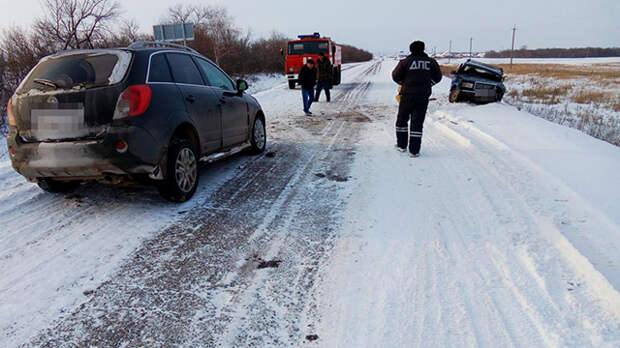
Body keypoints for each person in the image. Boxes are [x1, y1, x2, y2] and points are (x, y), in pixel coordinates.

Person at [392, 40, 442, 157]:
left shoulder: (405, 62)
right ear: (423, 49)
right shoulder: (431, 62)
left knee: (402, 120)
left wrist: (404, 83)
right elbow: (438, 77)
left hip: (407, 96)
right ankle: (414, 151)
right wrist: (429, 84)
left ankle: (401, 146)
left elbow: (395, 76)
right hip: (423, 96)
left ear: (411, 49)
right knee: (417, 122)